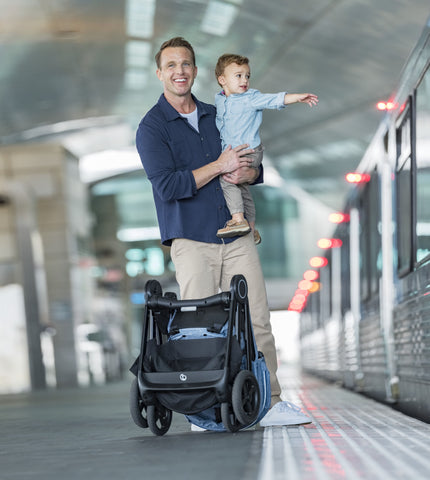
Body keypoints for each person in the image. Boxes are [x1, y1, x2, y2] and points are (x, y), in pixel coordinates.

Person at [135, 37, 311, 427]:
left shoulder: (223, 112)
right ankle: (203, 410)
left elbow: (248, 161)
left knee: (258, 320)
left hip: (235, 234)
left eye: (186, 64)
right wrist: (219, 165)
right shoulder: (151, 128)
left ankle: (270, 402)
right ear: (160, 73)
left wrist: (250, 171)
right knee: (199, 325)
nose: (179, 71)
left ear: (197, 72)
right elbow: (168, 187)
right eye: (171, 65)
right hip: (191, 237)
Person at [214, 53, 318, 244]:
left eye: (247, 75)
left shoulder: (251, 98)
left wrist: (297, 98)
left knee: (226, 179)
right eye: (238, 75)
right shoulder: (219, 101)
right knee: (242, 189)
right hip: (238, 152)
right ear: (222, 80)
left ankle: (238, 219)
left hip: (248, 152)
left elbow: (274, 99)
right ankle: (251, 229)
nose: (244, 80)